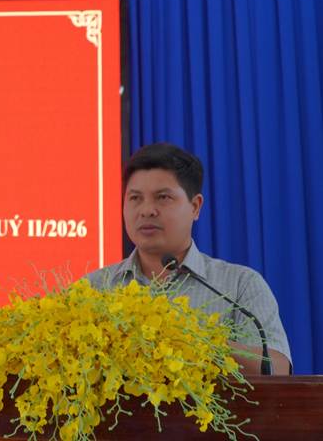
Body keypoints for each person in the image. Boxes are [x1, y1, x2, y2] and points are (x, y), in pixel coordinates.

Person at [86, 142, 291, 375]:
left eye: (162, 197)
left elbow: (278, 368)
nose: (147, 210)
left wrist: (197, 340)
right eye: (135, 198)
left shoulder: (239, 285)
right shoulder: (95, 288)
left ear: (195, 207)